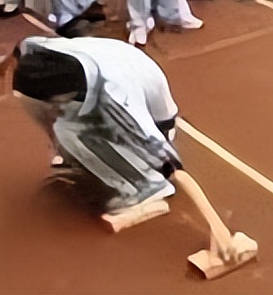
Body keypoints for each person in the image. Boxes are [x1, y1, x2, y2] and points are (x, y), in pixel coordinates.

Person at [12, 35, 181, 212]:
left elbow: (153, 143)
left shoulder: (116, 97)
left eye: (55, 102)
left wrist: (166, 168)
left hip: (153, 115)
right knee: (52, 118)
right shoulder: (35, 53)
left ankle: (147, 187)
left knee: (68, 131)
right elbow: (24, 46)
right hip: (105, 68)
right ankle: (86, 158)